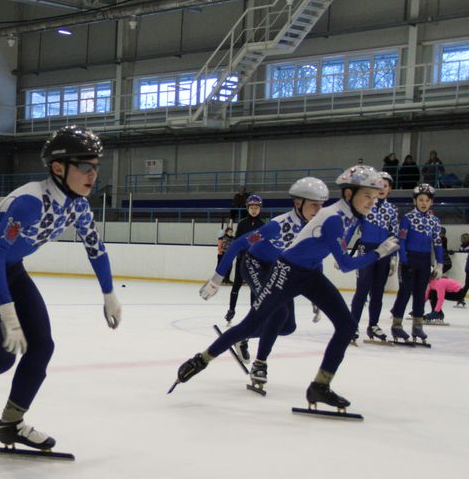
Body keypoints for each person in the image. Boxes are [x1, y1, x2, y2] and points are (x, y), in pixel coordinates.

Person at [0, 125, 121, 450]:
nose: (93, 174)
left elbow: (95, 247)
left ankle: (11, 423)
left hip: (10, 268)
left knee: (42, 347)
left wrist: (109, 293)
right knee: (2, 356)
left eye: (96, 166)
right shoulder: (31, 201)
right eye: (85, 166)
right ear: (59, 168)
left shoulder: (78, 206)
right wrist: (8, 314)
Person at [173, 165, 399, 410]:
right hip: (284, 271)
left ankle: (320, 386)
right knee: (255, 322)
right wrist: (379, 253)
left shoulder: (351, 217)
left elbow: (318, 251)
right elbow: (344, 264)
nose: (372, 202)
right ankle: (202, 359)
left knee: (344, 326)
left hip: (309, 272)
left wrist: (316, 296)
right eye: (367, 195)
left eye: (375, 197)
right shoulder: (328, 219)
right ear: (348, 194)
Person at [199, 177, 328, 389]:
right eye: (314, 204)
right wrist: (216, 279)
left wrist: (317, 296)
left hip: (278, 268)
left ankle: (242, 337)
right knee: (278, 312)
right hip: (254, 264)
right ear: (298, 203)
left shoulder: (315, 229)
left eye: (321, 205)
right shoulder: (278, 225)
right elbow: (238, 244)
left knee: (288, 327)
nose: (319, 210)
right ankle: (260, 364)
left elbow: (315, 259)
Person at [389, 183, 444, 343]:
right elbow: (402, 241)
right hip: (410, 260)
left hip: (425, 260)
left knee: (420, 294)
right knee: (405, 292)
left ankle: (417, 326)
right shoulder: (408, 218)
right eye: (420, 200)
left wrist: (439, 264)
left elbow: (438, 243)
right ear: (414, 201)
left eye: (427, 200)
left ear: (431, 202)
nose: (424, 203)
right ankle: (397, 325)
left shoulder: (434, 221)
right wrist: (404, 260)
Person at [349, 170, 399, 342]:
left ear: (390, 189)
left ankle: (373, 325)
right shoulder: (364, 205)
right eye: (379, 185)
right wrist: (342, 250)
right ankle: (352, 325)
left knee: (378, 292)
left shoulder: (392, 210)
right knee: (362, 290)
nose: (382, 188)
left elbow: (395, 234)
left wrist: (393, 257)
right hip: (366, 249)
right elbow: (351, 228)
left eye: (385, 186)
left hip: (384, 252)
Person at [224, 194, 266, 358]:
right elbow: (237, 242)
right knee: (236, 286)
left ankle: (252, 314)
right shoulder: (242, 224)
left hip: (255, 264)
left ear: (260, 209)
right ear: (247, 208)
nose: (254, 210)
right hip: (242, 261)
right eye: (251, 207)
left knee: (254, 291)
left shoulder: (263, 225)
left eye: (257, 208)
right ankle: (231, 309)